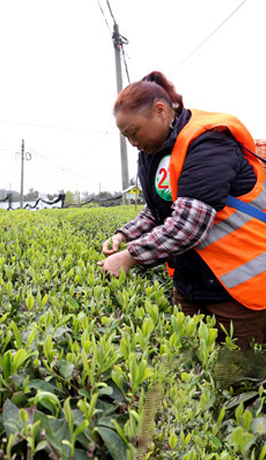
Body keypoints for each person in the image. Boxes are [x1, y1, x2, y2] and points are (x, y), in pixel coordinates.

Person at [98, 71, 266, 350]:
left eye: (134, 132)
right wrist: (123, 235)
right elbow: (159, 210)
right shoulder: (156, 151)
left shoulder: (207, 143)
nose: (133, 142)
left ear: (160, 111)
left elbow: (188, 224)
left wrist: (130, 257)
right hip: (191, 284)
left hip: (238, 291)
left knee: (237, 379)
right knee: (190, 375)